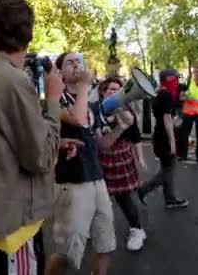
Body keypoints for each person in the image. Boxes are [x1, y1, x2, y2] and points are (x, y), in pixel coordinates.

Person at [0, 0, 65, 275]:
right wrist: (54, 99)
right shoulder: (14, 81)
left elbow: (9, 142)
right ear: (28, 32)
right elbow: (41, 156)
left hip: (3, 213)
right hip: (17, 223)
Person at [46, 52, 115, 275]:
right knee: (67, 253)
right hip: (72, 183)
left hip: (97, 180)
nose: (76, 65)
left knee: (105, 244)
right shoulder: (55, 101)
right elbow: (76, 118)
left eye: (79, 61)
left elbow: (101, 143)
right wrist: (86, 86)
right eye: (70, 63)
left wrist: (122, 127)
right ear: (60, 73)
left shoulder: (93, 105)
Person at [93, 77, 147, 252]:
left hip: (119, 158)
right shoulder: (94, 110)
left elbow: (136, 137)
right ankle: (93, 228)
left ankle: (137, 229)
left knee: (123, 198)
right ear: (103, 91)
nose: (114, 92)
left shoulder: (126, 111)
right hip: (99, 158)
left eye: (118, 90)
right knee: (96, 198)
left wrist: (141, 159)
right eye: (110, 89)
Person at [138, 68, 189, 209]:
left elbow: (166, 117)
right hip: (164, 137)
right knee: (168, 171)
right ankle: (144, 189)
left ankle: (170, 199)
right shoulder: (166, 94)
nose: (177, 82)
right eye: (175, 79)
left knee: (168, 168)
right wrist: (172, 141)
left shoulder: (160, 92)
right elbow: (166, 119)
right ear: (168, 79)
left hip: (159, 134)